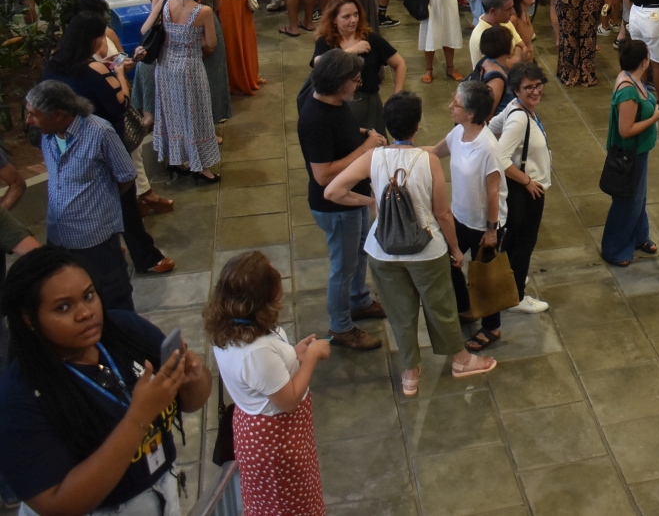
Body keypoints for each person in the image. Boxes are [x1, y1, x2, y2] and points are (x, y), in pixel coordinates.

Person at [0, 246, 211, 516]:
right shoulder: (19, 400)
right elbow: (58, 505)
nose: (85, 313)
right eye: (63, 307)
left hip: (160, 491)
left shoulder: (126, 331)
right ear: (30, 319)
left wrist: (194, 376)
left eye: (88, 296)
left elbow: (191, 402)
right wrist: (139, 416)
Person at [324, 91, 498, 393]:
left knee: (400, 313)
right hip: (426, 252)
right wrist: (456, 250)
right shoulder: (427, 160)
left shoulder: (372, 157)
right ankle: (460, 360)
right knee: (440, 308)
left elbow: (333, 192)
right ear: (416, 126)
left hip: (382, 251)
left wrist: (371, 201)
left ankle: (410, 374)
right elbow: (443, 213)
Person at [42, 15, 175, 279]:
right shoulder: (94, 71)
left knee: (79, 200)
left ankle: (89, 252)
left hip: (64, 144)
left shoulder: (53, 65)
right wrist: (117, 73)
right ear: (91, 39)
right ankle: (145, 257)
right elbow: (120, 104)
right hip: (103, 142)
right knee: (125, 199)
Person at [205, 250, 329, 516]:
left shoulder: (229, 328)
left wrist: (294, 354)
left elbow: (261, 377)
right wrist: (314, 355)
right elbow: (289, 399)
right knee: (290, 505)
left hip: (266, 431)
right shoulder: (256, 351)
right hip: (277, 441)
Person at [296, 49, 388, 351]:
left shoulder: (334, 102)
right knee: (343, 266)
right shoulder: (315, 119)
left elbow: (343, 130)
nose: (358, 84)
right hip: (335, 207)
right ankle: (340, 326)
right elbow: (323, 177)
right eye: (354, 80)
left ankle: (359, 300)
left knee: (359, 254)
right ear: (337, 83)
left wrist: (362, 133)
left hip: (353, 197)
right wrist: (365, 149)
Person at [23, 80, 141, 310]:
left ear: (57, 114)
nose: (28, 121)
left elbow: (126, 174)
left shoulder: (100, 132)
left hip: (95, 239)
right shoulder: (46, 135)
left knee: (112, 300)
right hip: (59, 236)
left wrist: (100, 203)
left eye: (33, 115)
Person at [433, 81, 509, 351]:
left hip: (482, 224)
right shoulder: (458, 134)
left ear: (471, 114)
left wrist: (491, 230)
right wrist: (402, 152)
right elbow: (433, 152)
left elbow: (493, 192)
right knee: (446, 260)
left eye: (456, 104)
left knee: (486, 278)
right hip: (459, 216)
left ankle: (492, 327)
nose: (450, 107)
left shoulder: (487, 148)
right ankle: (465, 306)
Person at [141, 0, 221, 183]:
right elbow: (211, 43)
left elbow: (144, 30)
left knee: (171, 113)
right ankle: (200, 166)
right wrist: (192, 41)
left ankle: (175, 161)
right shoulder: (203, 11)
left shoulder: (163, 4)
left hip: (165, 68)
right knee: (196, 115)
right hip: (190, 69)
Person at [600, 40, 659, 268]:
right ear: (644, 62)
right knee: (627, 200)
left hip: (640, 151)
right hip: (629, 154)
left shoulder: (633, 79)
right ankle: (614, 248)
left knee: (638, 198)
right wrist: (655, 118)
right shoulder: (628, 91)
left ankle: (640, 235)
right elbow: (626, 130)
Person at [488, 61, 552, 314]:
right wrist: (525, 180)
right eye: (528, 88)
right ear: (516, 90)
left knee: (513, 239)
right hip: (527, 191)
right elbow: (500, 157)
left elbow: (489, 129)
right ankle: (516, 297)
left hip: (523, 189)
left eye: (538, 85)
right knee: (525, 242)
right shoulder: (519, 120)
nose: (535, 92)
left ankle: (509, 281)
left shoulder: (514, 109)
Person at [313, 0, 406, 135]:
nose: (353, 20)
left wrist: (397, 94)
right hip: (338, 105)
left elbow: (399, 64)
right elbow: (319, 64)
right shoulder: (326, 42)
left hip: (369, 104)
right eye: (346, 17)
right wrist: (351, 51)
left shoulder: (371, 39)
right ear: (333, 20)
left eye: (356, 14)